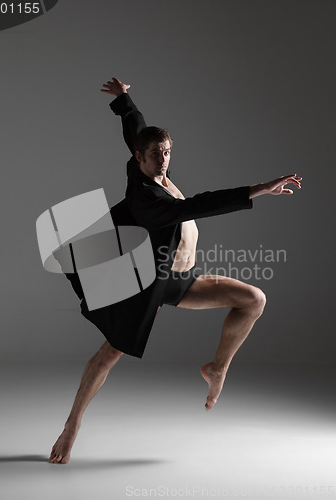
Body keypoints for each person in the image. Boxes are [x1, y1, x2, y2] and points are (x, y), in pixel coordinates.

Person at [49, 78, 302, 464]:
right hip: (149, 285)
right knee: (108, 356)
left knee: (254, 300)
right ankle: (71, 427)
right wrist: (260, 189)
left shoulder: (150, 163)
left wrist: (123, 99)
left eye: (166, 152)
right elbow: (199, 205)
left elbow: (137, 130)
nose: (163, 160)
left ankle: (216, 369)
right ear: (140, 159)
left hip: (181, 278)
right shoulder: (146, 197)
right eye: (156, 155)